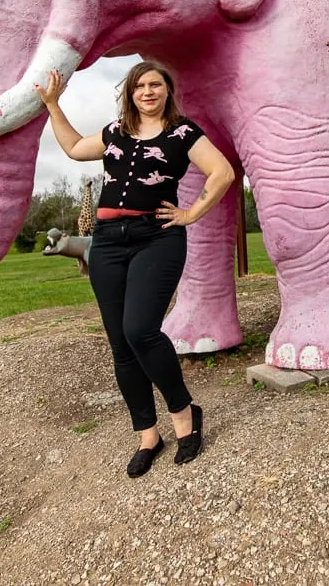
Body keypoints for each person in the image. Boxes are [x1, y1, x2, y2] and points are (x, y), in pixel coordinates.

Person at [37, 60, 236, 477]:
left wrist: (191, 214)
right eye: (140, 85)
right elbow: (74, 148)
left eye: (155, 84)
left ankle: (184, 415)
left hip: (157, 237)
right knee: (121, 345)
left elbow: (222, 172)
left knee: (140, 330)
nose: (147, 91)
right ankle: (148, 434)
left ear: (167, 90)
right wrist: (54, 105)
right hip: (107, 243)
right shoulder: (114, 133)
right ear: (129, 93)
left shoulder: (183, 133)